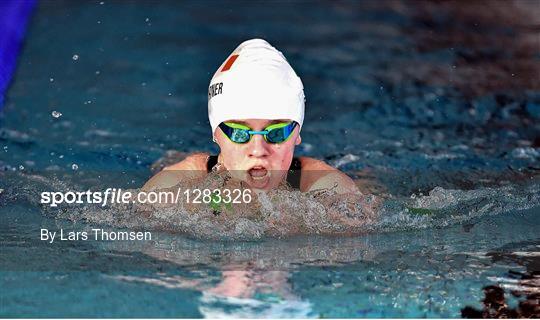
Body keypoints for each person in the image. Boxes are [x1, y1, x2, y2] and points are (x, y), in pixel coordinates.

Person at [143, 38, 358, 194]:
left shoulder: (329, 190)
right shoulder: (173, 189)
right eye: (238, 132)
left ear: (298, 133)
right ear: (216, 134)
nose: (258, 150)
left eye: (276, 133)